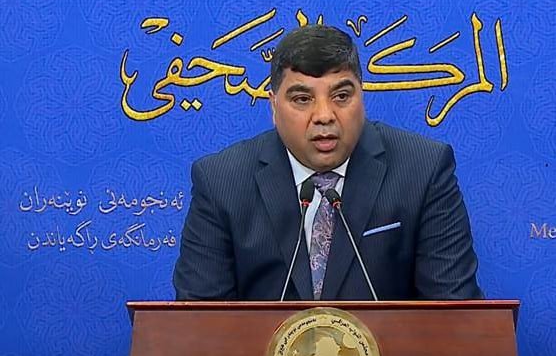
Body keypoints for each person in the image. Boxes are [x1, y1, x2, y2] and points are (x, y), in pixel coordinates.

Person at [173, 25, 483, 301]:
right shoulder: (221, 182)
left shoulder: (423, 170)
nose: (324, 116)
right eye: (302, 99)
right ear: (274, 106)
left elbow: (454, 316)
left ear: (362, 97)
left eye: (341, 96)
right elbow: (200, 323)